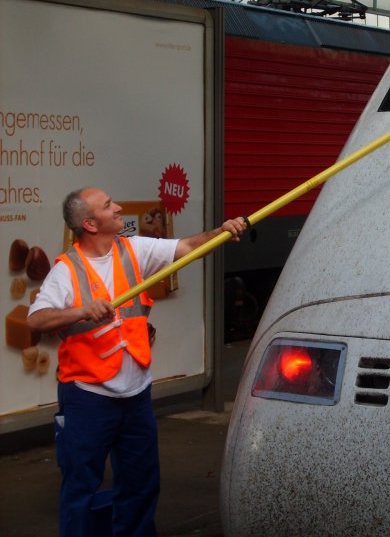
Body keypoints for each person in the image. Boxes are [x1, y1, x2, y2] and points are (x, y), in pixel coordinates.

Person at [27, 187, 248, 537]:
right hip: (88, 398)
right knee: (80, 489)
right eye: (108, 206)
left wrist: (221, 232)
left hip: (136, 396)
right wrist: (82, 310)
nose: (118, 207)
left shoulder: (133, 249)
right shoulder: (66, 271)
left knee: (141, 485)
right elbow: (36, 320)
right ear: (90, 224)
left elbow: (186, 247)